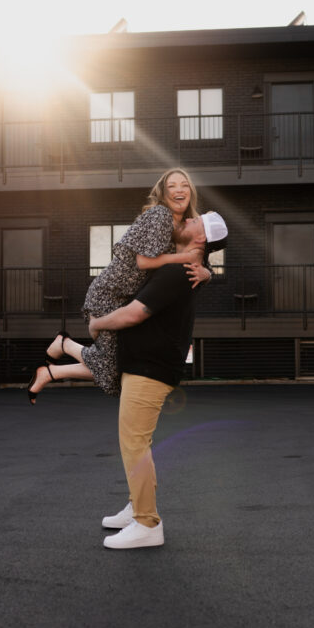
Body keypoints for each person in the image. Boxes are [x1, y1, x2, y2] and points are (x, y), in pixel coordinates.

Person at [27, 167, 225, 401]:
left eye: (184, 185)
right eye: (172, 186)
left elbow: (200, 257)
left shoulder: (183, 226)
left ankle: (59, 354)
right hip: (109, 293)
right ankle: (58, 357)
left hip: (124, 298)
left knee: (115, 370)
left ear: (190, 192)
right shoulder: (160, 216)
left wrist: (206, 273)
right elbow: (143, 262)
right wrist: (185, 258)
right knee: (113, 372)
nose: (179, 190)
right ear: (163, 193)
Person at [95, 223, 228, 549]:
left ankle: (147, 523)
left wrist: (96, 323)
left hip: (149, 369)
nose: (187, 220)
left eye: (196, 221)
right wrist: (208, 271)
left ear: (201, 238)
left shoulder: (180, 271)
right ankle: (136, 508)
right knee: (135, 443)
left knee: (135, 444)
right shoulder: (188, 267)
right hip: (146, 365)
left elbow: (133, 314)